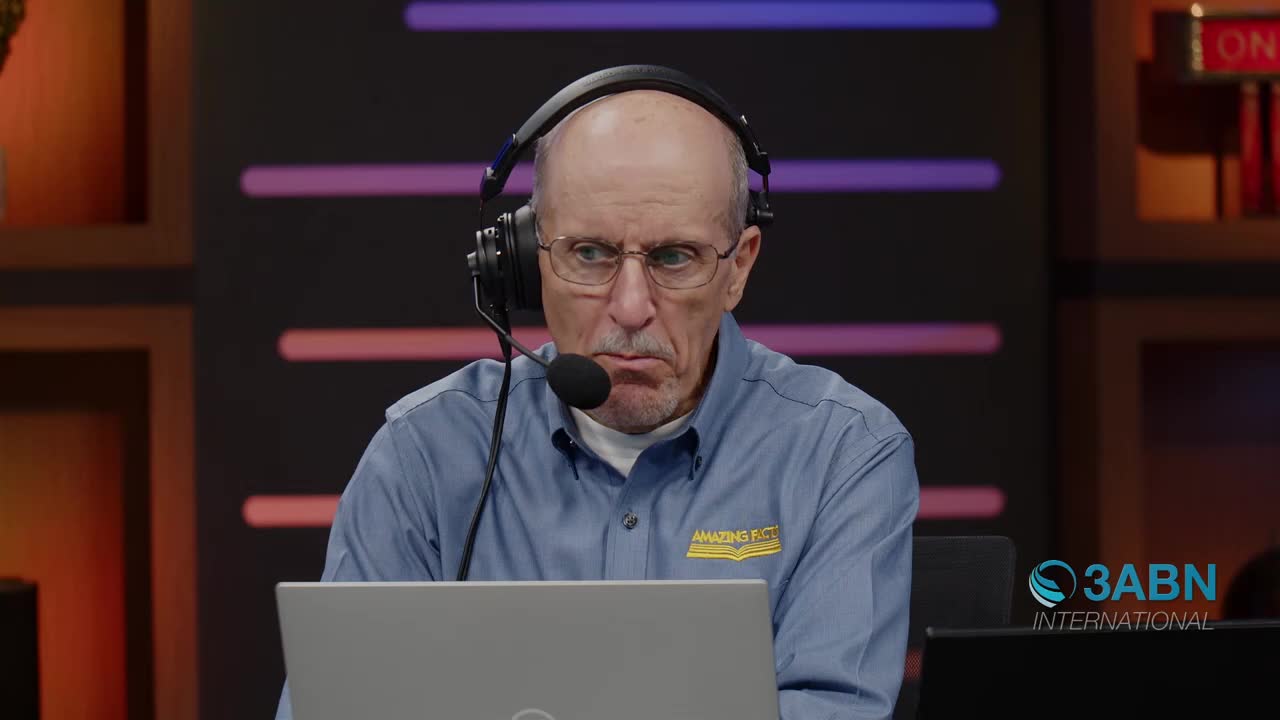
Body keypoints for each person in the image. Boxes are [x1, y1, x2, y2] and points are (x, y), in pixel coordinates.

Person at [275, 76, 919, 720]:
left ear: (739, 266)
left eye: (674, 256)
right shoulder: (422, 454)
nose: (632, 307)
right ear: (524, 262)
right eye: (589, 253)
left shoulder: (843, 451)